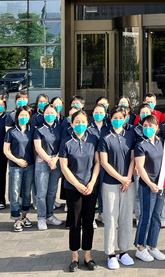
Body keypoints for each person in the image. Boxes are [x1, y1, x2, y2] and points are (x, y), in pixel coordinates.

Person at [59, 109, 100, 272]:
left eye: (83, 122)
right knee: (75, 223)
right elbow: (64, 167)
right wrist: (77, 185)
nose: (80, 124)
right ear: (72, 123)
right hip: (73, 188)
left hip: (90, 187)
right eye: (77, 122)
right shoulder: (66, 142)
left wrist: (92, 182)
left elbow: (97, 162)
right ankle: (75, 256)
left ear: (87, 123)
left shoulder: (93, 139)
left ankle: (88, 255)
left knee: (89, 222)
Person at [98, 108, 137, 270]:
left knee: (126, 218)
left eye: (121, 117)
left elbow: (133, 159)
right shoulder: (105, 137)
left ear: (126, 118)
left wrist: (127, 178)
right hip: (110, 183)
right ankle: (111, 253)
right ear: (110, 119)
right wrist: (121, 178)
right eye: (115, 117)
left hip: (128, 183)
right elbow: (104, 162)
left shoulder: (130, 135)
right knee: (111, 218)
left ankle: (124, 251)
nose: (118, 120)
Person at [133, 115, 165, 262]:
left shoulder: (161, 141)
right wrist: (150, 183)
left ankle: (153, 246)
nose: (148, 128)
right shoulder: (140, 145)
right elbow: (140, 167)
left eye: (151, 126)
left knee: (156, 216)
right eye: (145, 126)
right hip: (147, 186)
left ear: (157, 128)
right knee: (145, 217)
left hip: (160, 185)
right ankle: (140, 247)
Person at [3, 106, 35, 232]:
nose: (24, 117)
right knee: (15, 192)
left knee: (27, 192)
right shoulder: (11, 132)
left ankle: (24, 216)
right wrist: (17, 160)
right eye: (21, 115)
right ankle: (16, 218)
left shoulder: (32, 131)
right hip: (15, 166)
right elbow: (6, 150)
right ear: (17, 117)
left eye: (26, 115)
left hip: (29, 166)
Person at [34, 103, 63, 230]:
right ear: (43, 114)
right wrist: (48, 160)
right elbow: (38, 147)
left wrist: (55, 159)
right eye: (47, 113)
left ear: (56, 114)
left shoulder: (60, 128)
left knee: (52, 192)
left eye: (52, 113)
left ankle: (50, 215)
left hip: (56, 161)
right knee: (41, 192)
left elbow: (63, 145)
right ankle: (41, 217)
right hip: (42, 161)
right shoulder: (39, 129)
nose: (50, 115)